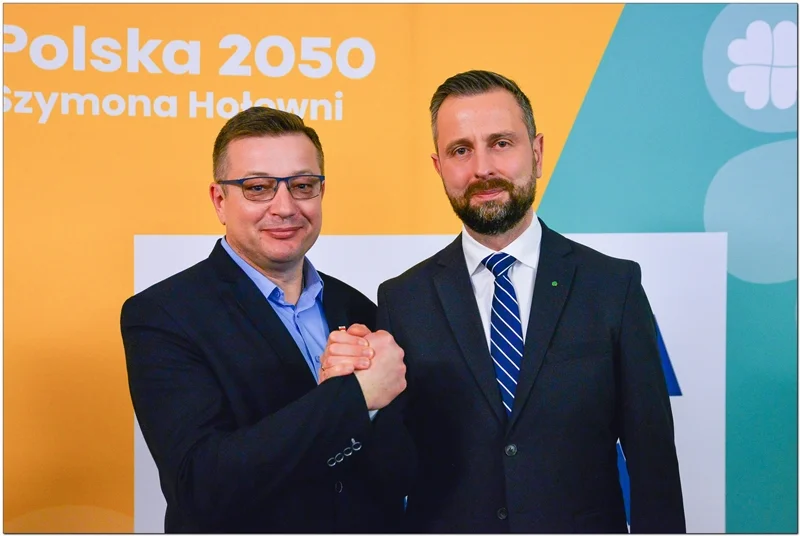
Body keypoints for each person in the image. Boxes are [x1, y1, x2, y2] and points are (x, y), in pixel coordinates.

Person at [323, 70, 686, 532]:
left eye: (501, 143)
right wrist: (361, 403)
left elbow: (653, 460)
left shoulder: (613, 287)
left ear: (536, 153)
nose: (482, 168)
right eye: (461, 150)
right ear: (439, 167)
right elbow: (392, 467)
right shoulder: (403, 299)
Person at [120, 107, 409, 533]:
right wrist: (352, 398)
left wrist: (377, 409)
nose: (285, 207)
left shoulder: (359, 309)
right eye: (258, 188)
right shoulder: (164, 315)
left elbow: (399, 467)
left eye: (302, 186)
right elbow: (200, 484)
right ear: (220, 200)